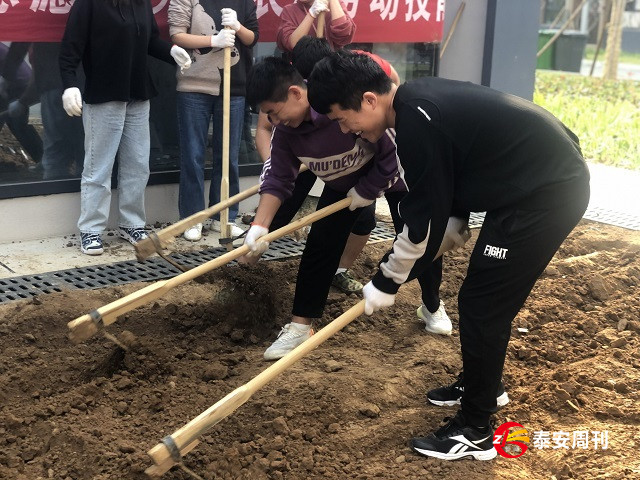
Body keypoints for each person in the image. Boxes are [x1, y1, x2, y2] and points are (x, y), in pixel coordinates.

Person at [307, 51, 590, 460]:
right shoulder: (418, 105)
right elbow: (447, 208)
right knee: (479, 297)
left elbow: (422, 222)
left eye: (340, 117)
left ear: (369, 100)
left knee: (482, 305)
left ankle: (476, 429)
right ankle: (483, 384)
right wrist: (406, 265)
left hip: (546, 194)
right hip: (524, 189)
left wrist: (387, 280)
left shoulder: (417, 120)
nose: (344, 129)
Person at [243, 57, 465, 361]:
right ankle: (300, 326)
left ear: (295, 93)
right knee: (320, 247)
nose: (273, 121)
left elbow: (392, 149)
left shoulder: (337, 106)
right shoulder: (286, 133)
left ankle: (431, 304)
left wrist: (368, 189)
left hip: (397, 178)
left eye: (273, 111)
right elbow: (278, 178)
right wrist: (260, 225)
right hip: (342, 187)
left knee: (419, 241)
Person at [59, 0, 192, 255]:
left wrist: (171, 51)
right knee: (99, 166)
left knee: (138, 163)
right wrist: (69, 84)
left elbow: (151, 40)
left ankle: (132, 223)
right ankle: (91, 229)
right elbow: (70, 47)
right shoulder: (89, 4)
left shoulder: (140, 3)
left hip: (138, 93)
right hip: (104, 94)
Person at [168, 0, 259, 242]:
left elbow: (252, 38)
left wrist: (238, 27)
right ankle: (193, 218)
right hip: (194, 85)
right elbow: (177, 35)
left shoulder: (243, 1)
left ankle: (225, 216)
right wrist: (213, 41)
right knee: (194, 155)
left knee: (228, 156)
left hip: (234, 88)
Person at [4, 42, 85, 180]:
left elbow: (37, 76)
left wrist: (21, 100)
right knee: (83, 146)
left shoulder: (42, 38)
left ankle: (55, 184)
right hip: (83, 86)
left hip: (55, 87)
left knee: (57, 150)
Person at [0, 43, 43, 166]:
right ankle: (42, 159)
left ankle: (44, 160)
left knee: (18, 124)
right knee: (18, 125)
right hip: (16, 83)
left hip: (18, 84)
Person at [277, 0, 355, 54]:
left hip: (332, 67)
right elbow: (293, 44)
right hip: (303, 69)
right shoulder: (289, 10)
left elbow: (344, 34)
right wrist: (312, 14)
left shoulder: (335, 4)